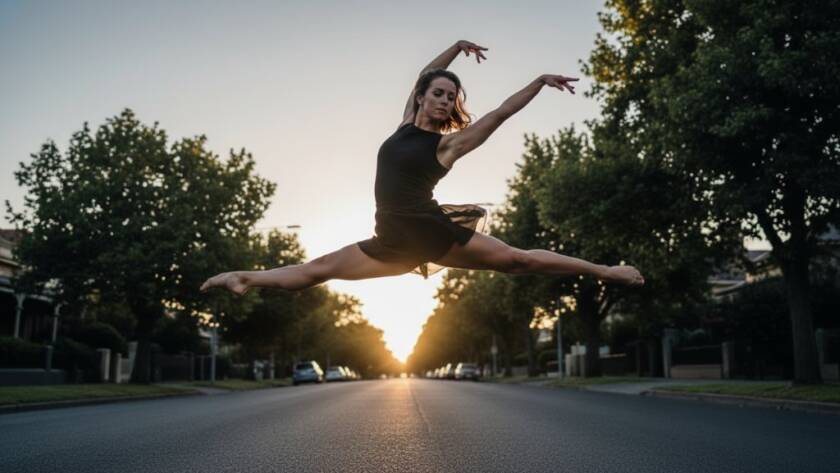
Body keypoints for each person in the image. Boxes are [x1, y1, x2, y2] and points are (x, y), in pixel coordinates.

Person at [200, 40, 644, 296]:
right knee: (319, 269)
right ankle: (243, 278)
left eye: (451, 97)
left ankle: (606, 271)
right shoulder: (401, 128)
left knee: (517, 260)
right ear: (421, 96)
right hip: (391, 240)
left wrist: (540, 82)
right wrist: (456, 46)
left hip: (430, 231)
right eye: (438, 92)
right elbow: (427, 70)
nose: (445, 100)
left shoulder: (448, 144)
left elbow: (501, 112)